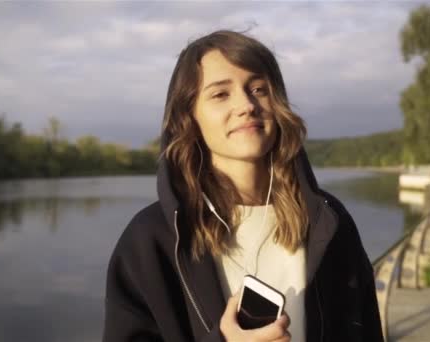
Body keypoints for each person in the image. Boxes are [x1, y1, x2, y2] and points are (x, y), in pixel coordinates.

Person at [103, 30, 383, 342]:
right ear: (190, 117)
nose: (247, 105)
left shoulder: (329, 222)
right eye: (220, 94)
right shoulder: (150, 239)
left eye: (259, 89)